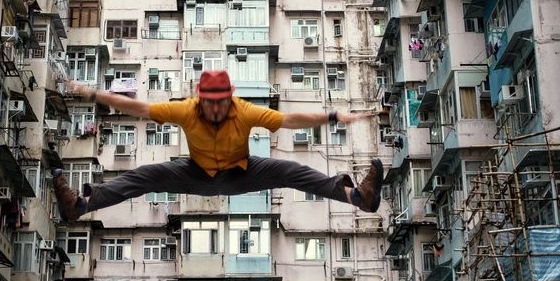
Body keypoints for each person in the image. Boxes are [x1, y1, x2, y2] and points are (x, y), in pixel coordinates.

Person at [52, 70, 385, 221]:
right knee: (146, 175)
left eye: (221, 103)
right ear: (200, 99)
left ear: (230, 98)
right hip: (194, 173)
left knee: (290, 170)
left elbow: (288, 120)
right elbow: (139, 108)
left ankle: (357, 197)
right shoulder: (184, 108)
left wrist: (331, 116)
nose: (215, 110)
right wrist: (93, 94)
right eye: (209, 103)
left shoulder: (245, 110)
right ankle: (81, 205)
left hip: (241, 172)